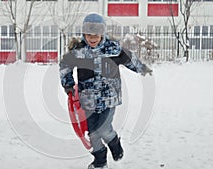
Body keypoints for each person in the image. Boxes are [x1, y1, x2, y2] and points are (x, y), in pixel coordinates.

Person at [59, 13, 152, 169]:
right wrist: (68, 83)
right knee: (93, 132)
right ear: (84, 34)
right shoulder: (78, 52)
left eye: (96, 35)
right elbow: (64, 66)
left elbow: (130, 59)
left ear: (102, 33)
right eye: (89, 35)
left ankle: (114, 143)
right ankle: (100, 161)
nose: (93, 38)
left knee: (104, 129)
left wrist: (142, 68)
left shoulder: (113, 49)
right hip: (87, 99)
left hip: (109, 97)